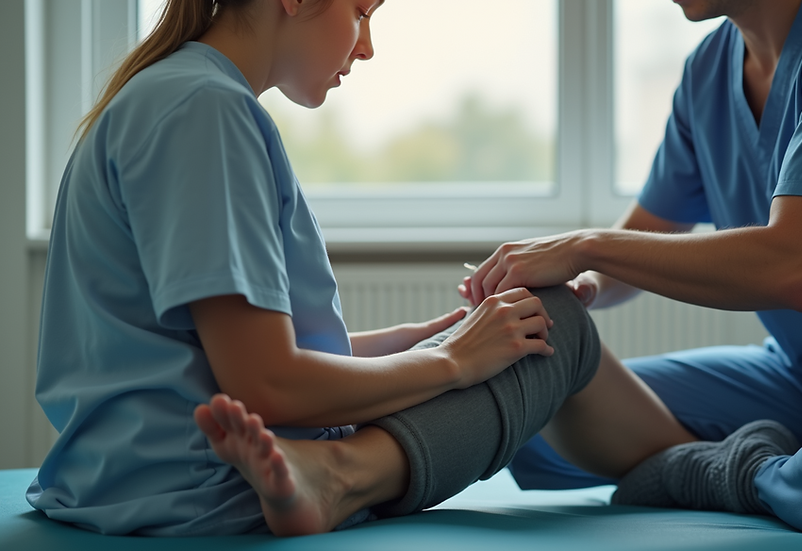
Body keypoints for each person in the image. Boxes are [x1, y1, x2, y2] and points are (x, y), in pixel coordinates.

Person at [25, 0, 699, 537]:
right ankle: (715, 473)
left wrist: (422, 336)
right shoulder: (207, 112)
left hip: (120, 478)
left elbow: (221, 357)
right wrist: (454, 361)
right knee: (554, 316)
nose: (367, 45)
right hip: (208, 488)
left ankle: (705, 468)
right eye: (364, 11)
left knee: (515, 328)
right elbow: (267, 385)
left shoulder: (172, 94)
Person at [463, 0, 802, 545]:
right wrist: (579, 286)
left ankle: (731, 471)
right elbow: (652, 232)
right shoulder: (710, 69)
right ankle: (798, 468)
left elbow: (795, 268)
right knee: (525, 411)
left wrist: (586, 247)